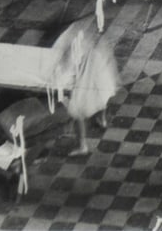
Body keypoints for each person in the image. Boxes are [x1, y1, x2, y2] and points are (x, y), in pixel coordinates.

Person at [48, 17, 121, 156]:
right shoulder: (83, 33)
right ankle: (102, 120)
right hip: (102, 72)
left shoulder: (70, 43)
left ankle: (83, 146)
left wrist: (57, 79)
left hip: (90, 77)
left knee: (77, 111)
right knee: (102, 96)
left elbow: (68, 67)